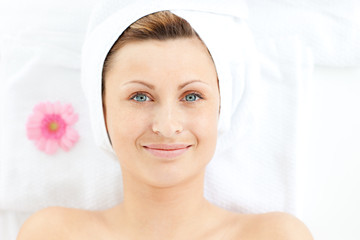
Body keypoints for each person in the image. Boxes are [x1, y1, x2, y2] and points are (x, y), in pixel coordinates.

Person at [17, 10, 313, 240]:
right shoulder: (54, 234)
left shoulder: (275, 236)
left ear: (220, 110)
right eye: (140, 96)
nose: (167, 125)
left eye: (192, 95)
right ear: (103, 111)